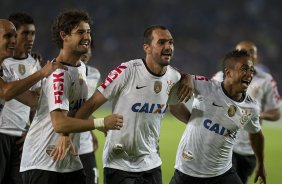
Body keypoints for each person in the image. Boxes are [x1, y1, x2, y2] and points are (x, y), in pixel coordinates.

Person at [75, 25, 192, 184]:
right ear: (147, 47)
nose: (168, 47)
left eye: (171, 42)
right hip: (119, 164)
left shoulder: (174, 76)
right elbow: (89, 106)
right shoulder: (127, 71)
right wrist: (68, 137)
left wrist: (197, 124)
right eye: (161, 42)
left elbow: (176, 107)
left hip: (152, 164)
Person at [19, 9, 123, 184]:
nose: (87, 37)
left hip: (68, 160)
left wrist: (66, 135)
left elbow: (74, 111)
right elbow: (59, 123)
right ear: (64, 36)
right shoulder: (58, 74)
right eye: (80, 32)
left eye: (88, 32)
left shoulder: (80, 68)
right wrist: (100, 123)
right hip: (43, 162)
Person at [170, 50, 266, 184]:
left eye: (251, 70)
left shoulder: (251, 107)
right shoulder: (207, 87)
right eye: (244, 69)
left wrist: (261, 164)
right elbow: (173, 75)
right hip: (188, 170)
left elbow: (256, 134)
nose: (250, 74)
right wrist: (185, 76)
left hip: (222, 173)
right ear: (228, 73)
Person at [0, 19, 66, 184]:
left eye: (14, 36)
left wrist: (59, 88)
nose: (14, 41)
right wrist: (42, 73)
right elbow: (5, 92)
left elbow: (32, 100)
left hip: (12, 138)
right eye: (8, 36)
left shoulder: (6, 70)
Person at [213, 41, 280, 184]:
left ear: (256, 57)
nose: (248, 55)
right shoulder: (221, 76)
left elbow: (276, 113)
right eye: (243, 52)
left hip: (248, 150)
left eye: (251, 52)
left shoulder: (266, 80)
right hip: (225, 144)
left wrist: (256, 115)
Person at [79, 47, 101, 184]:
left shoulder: (94, 74)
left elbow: (86, 107)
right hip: (63, 142)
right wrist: (100, 123)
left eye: (88, 49)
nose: (84, 53)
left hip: (85, 144)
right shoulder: (60, 72)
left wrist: (91, 133)